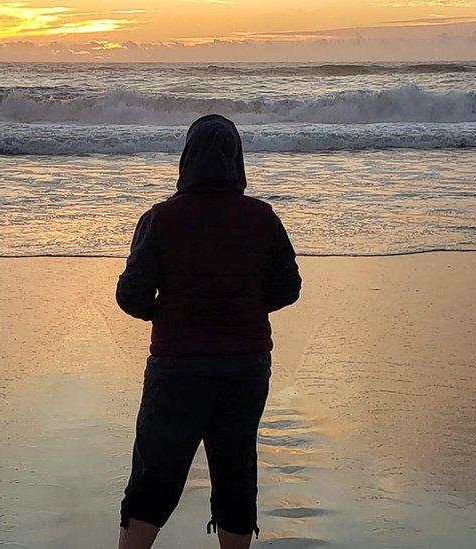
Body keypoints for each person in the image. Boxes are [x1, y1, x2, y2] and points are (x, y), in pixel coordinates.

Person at [115, 114, 302, 549]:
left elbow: (131, 296)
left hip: (178, 364)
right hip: (246, 364)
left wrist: (165, 312)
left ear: (187, 160)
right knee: (235, 469)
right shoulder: (263, 218)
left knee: (155, 472)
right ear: (238, 161)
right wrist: (247, 306)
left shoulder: (161, 219)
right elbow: (288, 287)